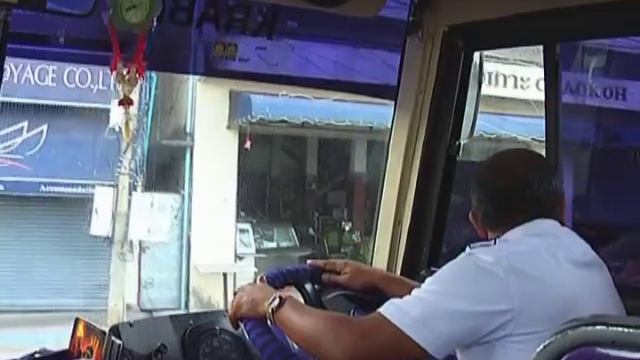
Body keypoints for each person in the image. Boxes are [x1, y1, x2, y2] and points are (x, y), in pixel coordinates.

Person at [230, 148, 625, 360]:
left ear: (476, 221)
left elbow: (353, 347)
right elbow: (484, 308)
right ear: (560, 208)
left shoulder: (493, 269)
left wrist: (269, 302)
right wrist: (384, 282)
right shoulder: (581, 255)